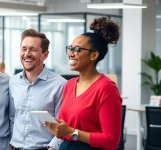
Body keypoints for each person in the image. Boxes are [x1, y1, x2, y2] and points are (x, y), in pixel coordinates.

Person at [45, 17, 122, 150]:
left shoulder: (106, 88)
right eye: (70, 48)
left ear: (94, 56)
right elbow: (64, 128)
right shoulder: (70, 85)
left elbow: (111, 140)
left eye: (77, 50)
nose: (71, 54)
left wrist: (71, 133)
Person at [9, 29, 66, 150]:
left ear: (45, 54)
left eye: (33, 49)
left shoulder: (60, 85)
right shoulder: (13, 82)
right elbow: (12, 117)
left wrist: (52, 148)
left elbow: (64, 126)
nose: (27, 54)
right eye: (24, 49)